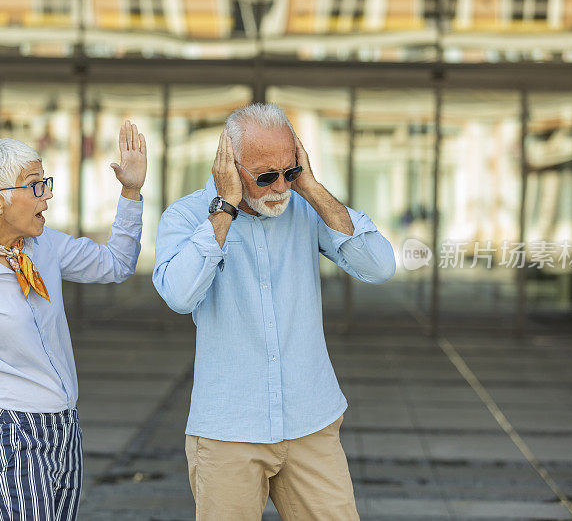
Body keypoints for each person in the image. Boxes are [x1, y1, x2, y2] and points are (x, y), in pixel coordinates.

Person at [152, 103, 395, 520]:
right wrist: (224, 208)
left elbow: (379, 266)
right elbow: (179, 295)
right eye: (265, 177)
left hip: (311, 420)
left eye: (290, 171)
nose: (279, 187)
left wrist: (312, 187)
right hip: (229, 429)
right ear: (228, 164)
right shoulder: (187, 216)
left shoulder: (304, 206)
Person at [0, 121, 148, 520]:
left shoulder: (46, 247)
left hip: (64, 427)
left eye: (46, 182)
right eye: (35, 185)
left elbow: (117, 264)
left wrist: (130, 192)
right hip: (8, 430)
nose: (48, 195)